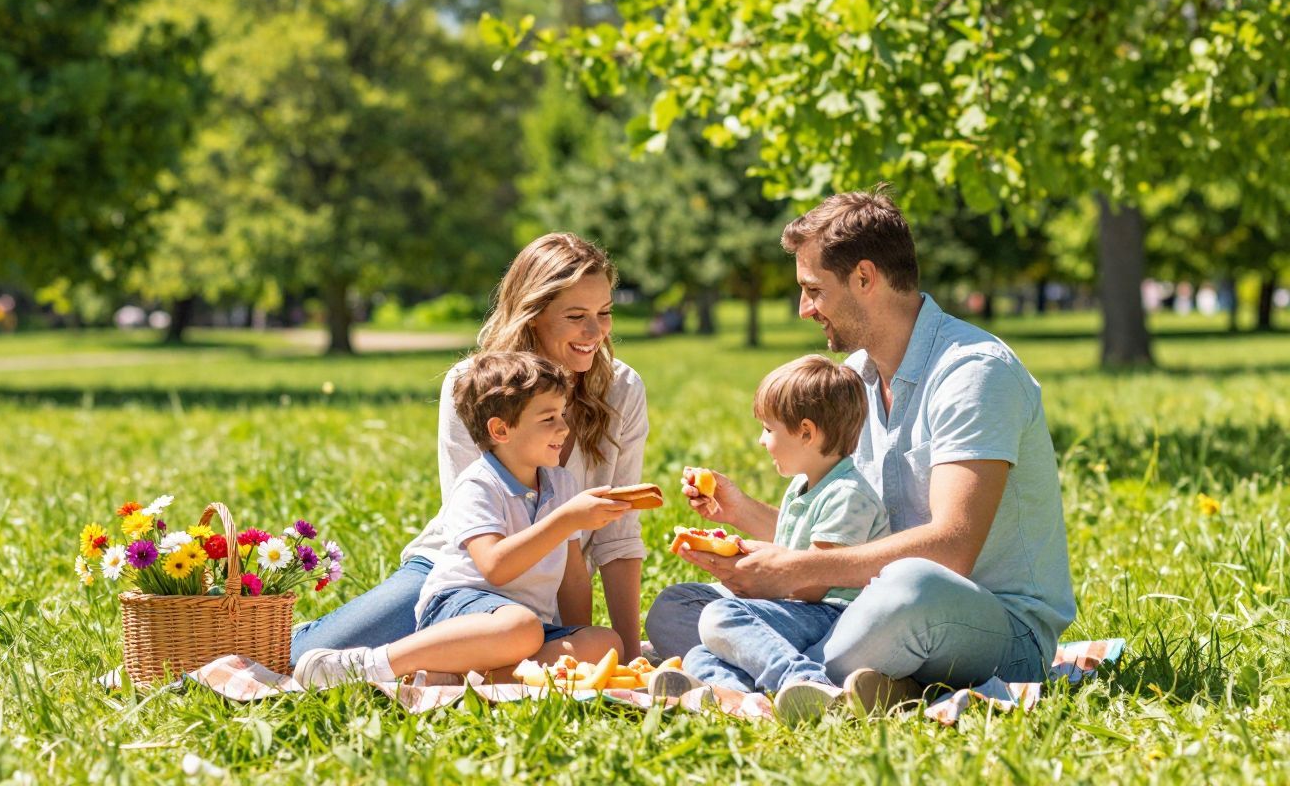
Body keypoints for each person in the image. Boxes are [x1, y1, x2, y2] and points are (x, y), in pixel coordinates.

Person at [646, 189, 1075, 710]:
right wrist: (745, 517)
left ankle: (752, 674)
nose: (804, 309)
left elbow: (952, 549)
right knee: (681, 606)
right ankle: (856, 684)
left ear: (865, 278)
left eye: (814, 290)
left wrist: (795, 571)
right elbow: (842, 535)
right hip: (860, 609)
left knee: (911, 585)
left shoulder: (973, 373)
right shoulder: (853, 380)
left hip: (989, 624)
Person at [291, 233, 651, 663]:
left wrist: (629, 659)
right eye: (576, 316)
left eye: (605, 312)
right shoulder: (474, 388)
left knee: (595, 646)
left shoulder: (621, 389)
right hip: (458, 578)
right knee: (304, 654)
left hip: (541, 591)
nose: (595, 332)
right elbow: (477, 537)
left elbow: (617, 539)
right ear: (532, 315)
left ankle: (450, 668)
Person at [294, 352, 625, 684]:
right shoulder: (478, 485)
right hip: (458, 609)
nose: (564, 428)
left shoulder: (561, 484)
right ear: (501, 429)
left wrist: (579, 639)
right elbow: (495, 567)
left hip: (522, 625)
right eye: (548, 418)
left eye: (562, 414)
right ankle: (374, 664)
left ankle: (458, 677)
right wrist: (566, 520)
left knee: (605, 644)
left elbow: (573, 578)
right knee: (521, 628)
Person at [667, 354, 891, 720]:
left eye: (768, 430)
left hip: (832, 616)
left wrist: (753, 572)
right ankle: (745, 704)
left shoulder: (847, 494)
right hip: (803, 611)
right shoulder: (803, 486)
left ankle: (808, 683)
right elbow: (790, 557)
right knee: (700, 654)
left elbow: (812, 585)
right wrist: (739, 554)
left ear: (806, 433)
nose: (761, 440)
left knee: (721, 616)